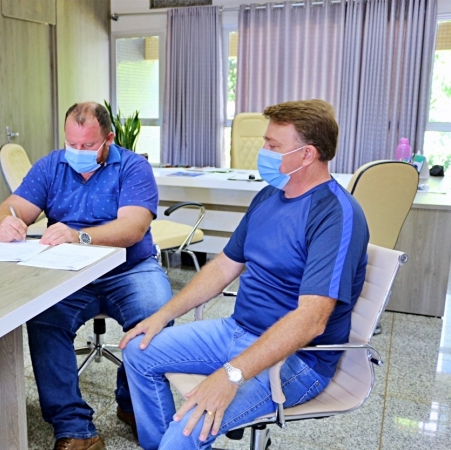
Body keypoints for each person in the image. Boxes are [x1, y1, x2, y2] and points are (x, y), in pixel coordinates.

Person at [120, 99, 369, 450]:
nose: (262, 152)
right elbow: (223, 266)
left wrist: (231, 374)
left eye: (272, 146)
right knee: (138, 351)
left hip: (297, 358)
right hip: (238, 330)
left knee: (185, 430)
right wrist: (162, 316)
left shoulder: (336, 215)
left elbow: (312, 321)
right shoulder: (269, 195)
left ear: (307, 155)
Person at [0, 102, 172, 450]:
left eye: (87, 146)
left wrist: (81, 235)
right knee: (44, 318)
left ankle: (132, 404)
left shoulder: (133, 167)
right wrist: (7, 220)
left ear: (108, 138)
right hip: (70, 272)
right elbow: (12, 206)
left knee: (156, 314)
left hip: (128, 268)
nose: (77, 152)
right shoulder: (51, 165)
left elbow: (133, 228)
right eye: (71, 144)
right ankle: (74, 427)